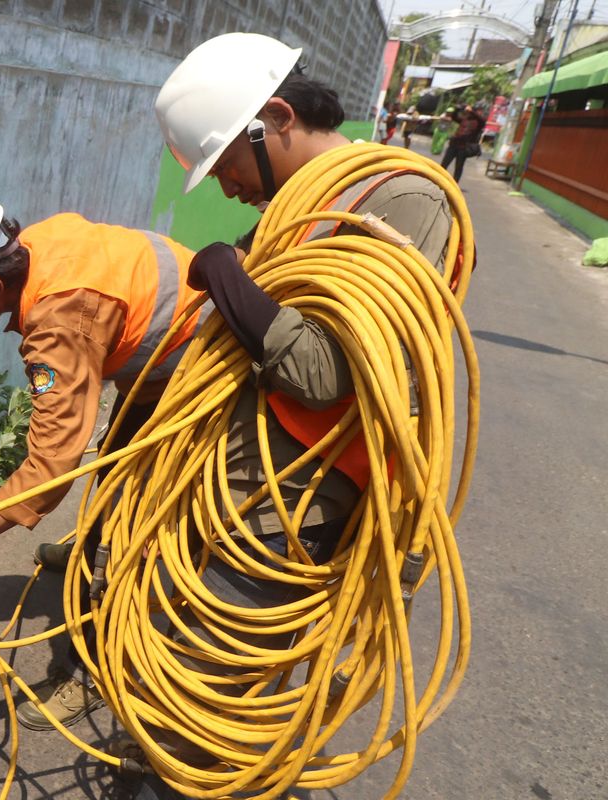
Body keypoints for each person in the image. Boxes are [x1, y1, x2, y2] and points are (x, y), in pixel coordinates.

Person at [132, 31, 462, 796]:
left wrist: (228, 276)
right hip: (238, 478)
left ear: (275, 117)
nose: (224, 189)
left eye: (225, 166)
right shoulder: (298, 207)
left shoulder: (402, 200)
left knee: (210, 699)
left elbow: (324, 372)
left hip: (298, 502)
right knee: (179, 661)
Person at [0, 192, 211, 730]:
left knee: (129, 527)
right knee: (114, 474)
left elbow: (50, 467)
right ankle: (91, 549)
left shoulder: (60, 321)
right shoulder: (36, 245)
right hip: (169, 350)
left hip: (200, 364)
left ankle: (93, 670)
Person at [441, 104, 486, 183]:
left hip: (464, 147)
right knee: (444, 164)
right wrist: (457, 109)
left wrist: (471, 111)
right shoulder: (465, 119)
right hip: (454, 144)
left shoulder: (479, 123)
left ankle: (455, 184)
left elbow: (481, 119)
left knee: (458, 167)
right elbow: (454, 117)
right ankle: (438, 180)